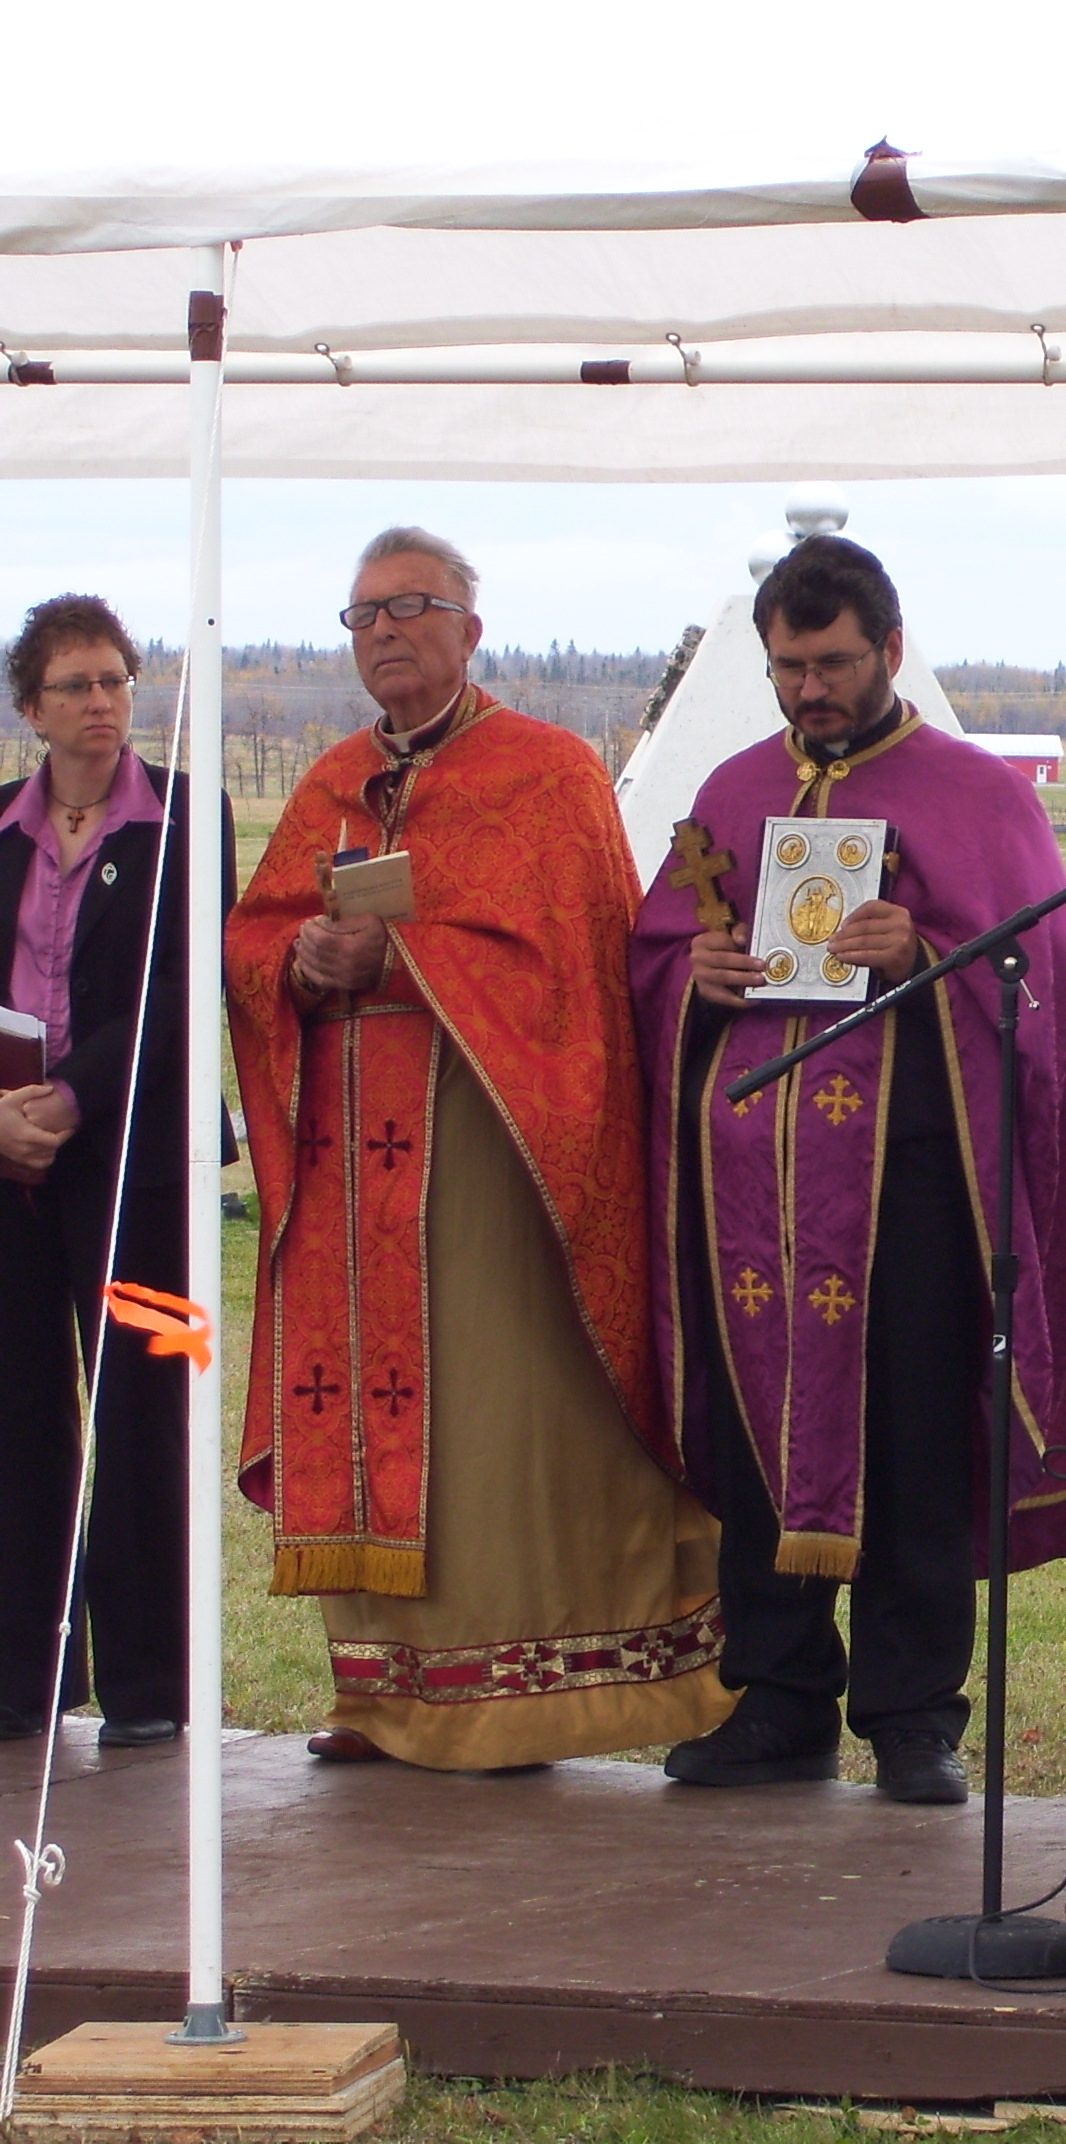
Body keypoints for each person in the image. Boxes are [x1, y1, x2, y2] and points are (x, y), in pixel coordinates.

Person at [630, 534, 1066, 1804]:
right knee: (760, 1442)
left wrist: (931, 953)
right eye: (790, 665)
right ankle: (779, 1697)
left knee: (908, 1433)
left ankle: (912, 1712)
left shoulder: (973, 793)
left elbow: (1053, 984)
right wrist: (698, 977)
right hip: (750, 1188)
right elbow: (650, 962)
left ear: (891, 649)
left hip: (911, 1179)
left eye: (835, 662)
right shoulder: (733, 793)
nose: (811, 689)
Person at [226, 528, 731, 1769]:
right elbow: (255, 937)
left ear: (470, 625)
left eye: (409, 607)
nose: (384, 632)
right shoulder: (331, 781)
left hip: (498, 1159)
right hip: (351, 1168)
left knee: (502, 1417)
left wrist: (407, 956)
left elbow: (583, 966)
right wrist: (301, 960)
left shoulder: (549, 775)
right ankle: (390, 1691)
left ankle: (527, 1694)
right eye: (361, 617)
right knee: (374, 1418)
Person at [0, 597, 232, 1748]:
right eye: (75, 686)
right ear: (30, 708)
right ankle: (17, 1677)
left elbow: (182, 988)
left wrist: (73, 1094)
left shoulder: (192, 817)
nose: (101, 704)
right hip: (10, 1172)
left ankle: (151, 1682)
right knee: (17, 1413)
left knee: (147, 1408)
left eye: (117, 681)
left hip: (145, 1170)